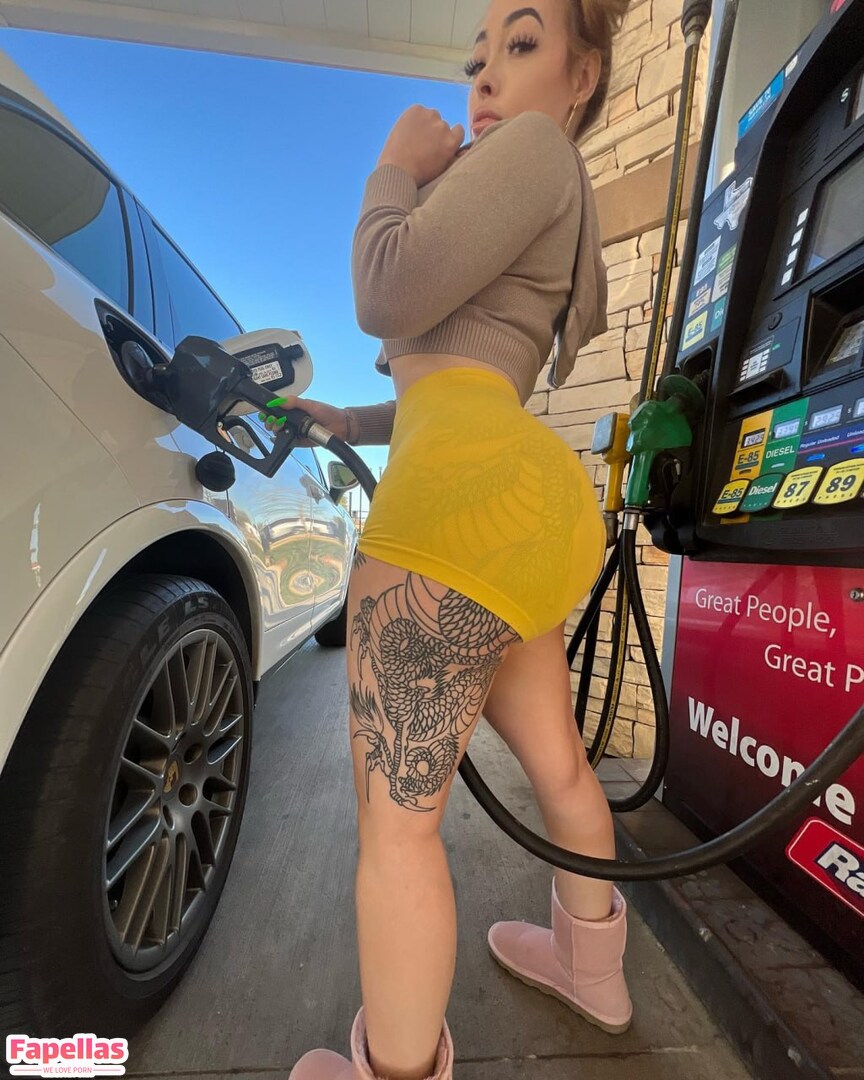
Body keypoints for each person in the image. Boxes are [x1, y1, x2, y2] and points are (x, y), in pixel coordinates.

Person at [283, 2, 632, 1076]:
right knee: (560, 766)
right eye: (477, 57)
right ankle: (592, 969)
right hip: (513, 505)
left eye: (521, 46)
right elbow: (447, 385)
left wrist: (393, 165)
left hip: (452, 509)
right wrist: (349, 422)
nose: (483, 78)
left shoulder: (534, 149)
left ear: (582, 77)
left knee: (396, 828)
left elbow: (382, 290)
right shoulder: (530, 192)